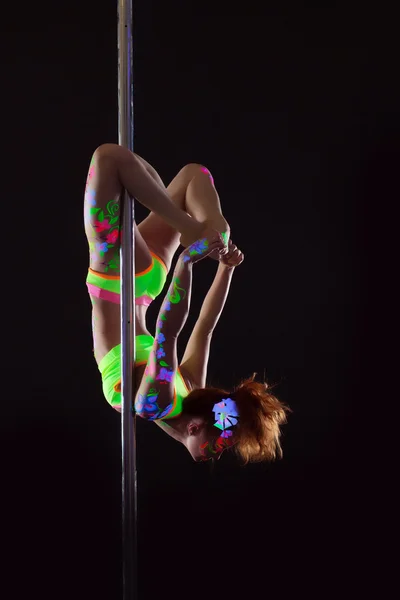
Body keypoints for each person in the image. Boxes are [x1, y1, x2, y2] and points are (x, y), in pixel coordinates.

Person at [84, 143, 290, 464]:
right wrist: (210, 265)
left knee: (184, 178)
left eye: (223, 447)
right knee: (113, 160)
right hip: (118, 275)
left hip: (142, 280)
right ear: (195, 427)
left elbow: (196, 329)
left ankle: (198, 229)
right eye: (222, 444)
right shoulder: (157, 403)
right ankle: (197, 230)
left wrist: (212, 263)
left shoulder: (183, 390)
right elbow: (177, 330)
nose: (219, 453)